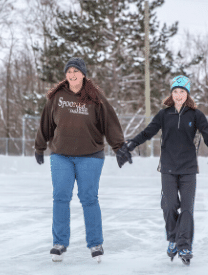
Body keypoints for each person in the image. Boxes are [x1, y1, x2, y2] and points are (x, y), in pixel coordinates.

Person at [117, 75, 208, 266]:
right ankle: (172, 238)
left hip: (188, 169)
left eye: (182, 92)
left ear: (187, 94)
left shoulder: (196, 115)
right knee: (169, 205)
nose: (178, 95)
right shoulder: (164, 115)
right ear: (171, 94)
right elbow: (147, 133)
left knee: (187, 209)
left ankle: (184, 245)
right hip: (168, 168)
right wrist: (130, 145)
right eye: (175, 91)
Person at [34, 57, 129, 263]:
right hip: (61, 155)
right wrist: (40, 147)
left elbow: (110, 123)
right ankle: (59, 243)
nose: (72, 75)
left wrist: (119, 147)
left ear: (83, 74)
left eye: (76, 71)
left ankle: (95, 243)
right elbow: (46, 124)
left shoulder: (96, 98)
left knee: (88, 198)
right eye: (69, 71)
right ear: (65, 75)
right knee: (60, 196)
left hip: (90, 156)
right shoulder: (57, 97)